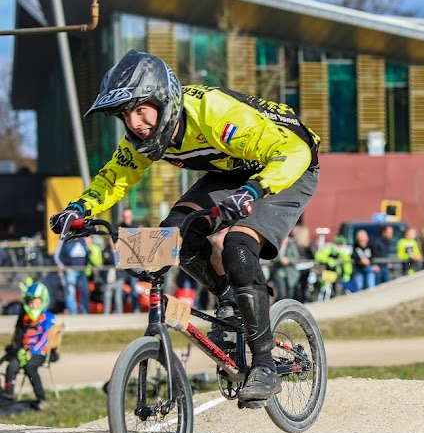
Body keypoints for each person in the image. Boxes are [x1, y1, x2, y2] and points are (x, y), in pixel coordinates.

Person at [48, 50, 320, 404]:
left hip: (288, 165)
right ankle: (228, 302)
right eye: (126, 115)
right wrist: (78, 208)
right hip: (232, 172)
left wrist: (254, 190)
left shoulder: (214, 113)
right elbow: (114, 177)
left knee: (237, 245)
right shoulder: (144, 138)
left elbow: (293, 150)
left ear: (165, 101)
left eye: (141, 110)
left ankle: (265, 365)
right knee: (169, 236)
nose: (136, 123)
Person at [1, 281, 58, 410]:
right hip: (25, 352)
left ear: (43, 301)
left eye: (36, 302)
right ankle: (8, 395)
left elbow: (44, 338)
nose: (33, 306)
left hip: (40, 353)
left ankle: (41, 398)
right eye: (30, 302)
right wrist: (20, 350)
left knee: (29, 367)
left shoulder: (48, 317)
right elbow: (19, 337)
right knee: (12, 366)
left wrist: (31, 352)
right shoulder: (25, 318)